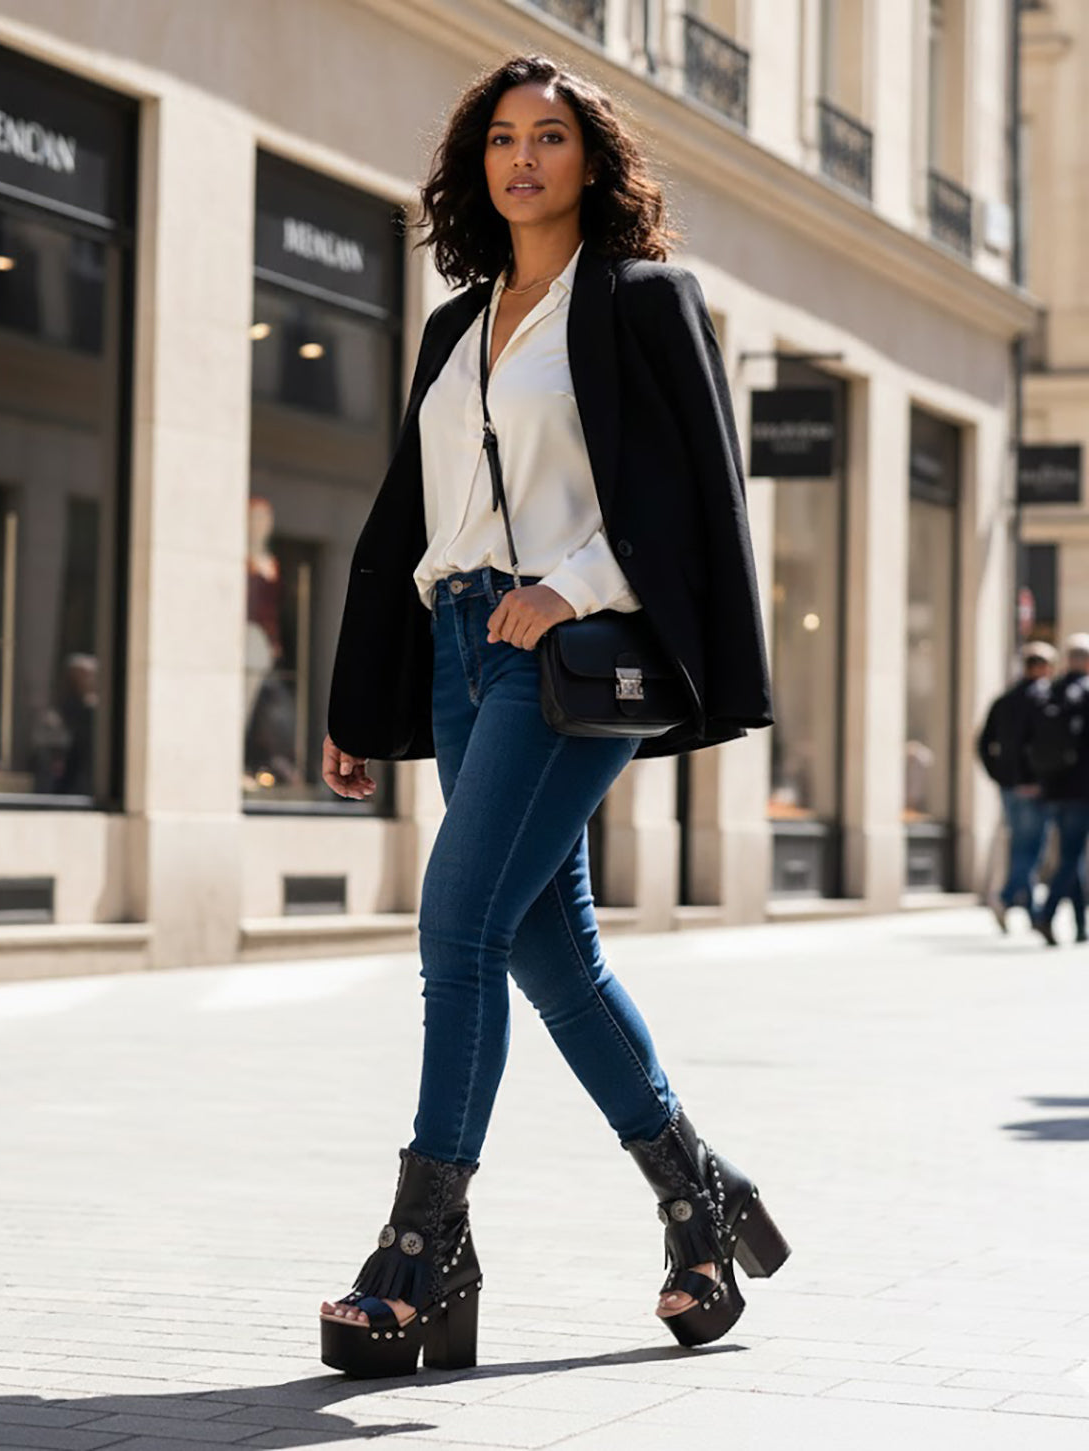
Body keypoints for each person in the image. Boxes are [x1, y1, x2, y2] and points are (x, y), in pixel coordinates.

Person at [317, 55, 789, 1379]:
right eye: (504, 139)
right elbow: (410, 522)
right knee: (550, 952)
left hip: (565, 652)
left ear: (593, 159)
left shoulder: (644, 301)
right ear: (478, 165)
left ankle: (423, 1247)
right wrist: (367, 691)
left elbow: (695, 497)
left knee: (457, 925)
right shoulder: (456, 327)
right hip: (458, 649)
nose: (525, 158)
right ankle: (699, 1195)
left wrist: (569, 590)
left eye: (552, 137)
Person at [976, 641, 1057, 930]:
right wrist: (1031, 780)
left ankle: (1018, 901)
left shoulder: (1004, 700)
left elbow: (984, 745)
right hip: (1033, 786)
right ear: (1043, 667)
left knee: (1021, 846)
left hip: (1010, 785)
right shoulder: (1044, 698)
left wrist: (1001, 776)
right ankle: (1010, 897)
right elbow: (1041, 745)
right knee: (1031, 848)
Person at [1029, 633, 1089, 946]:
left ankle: (1080, 925)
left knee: (1070, 853)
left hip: (1052, 787)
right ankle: (1046, 914)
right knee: (1070, 856)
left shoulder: (1050, 690)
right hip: (1081, 789)